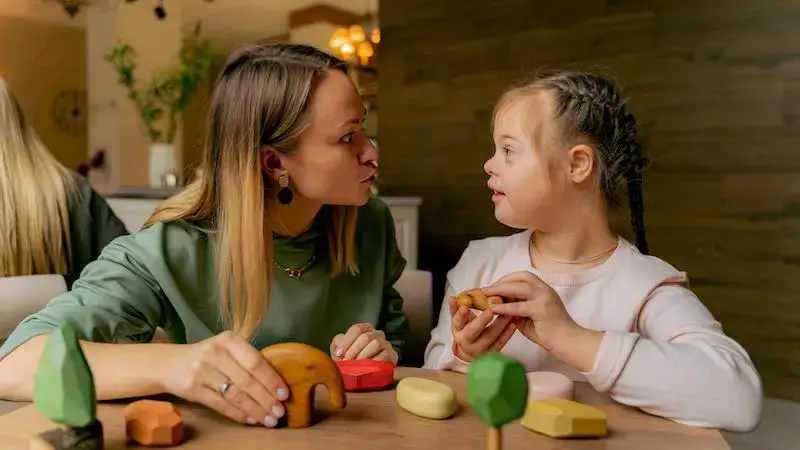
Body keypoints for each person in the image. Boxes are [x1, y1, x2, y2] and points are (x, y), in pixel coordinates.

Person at [0, 43, 408, 429]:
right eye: (347, 136)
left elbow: (400, 350)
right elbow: (16, 364)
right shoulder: (170, 249)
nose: (371, 151)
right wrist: (173, 365)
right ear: (273, 162)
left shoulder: (370, 223)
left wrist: (380, 356)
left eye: (364, 129)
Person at [423, 71, 762, 432]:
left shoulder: (645, 286)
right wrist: (465, 357)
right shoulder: (480, 263)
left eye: (508, 150)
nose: (489, 164)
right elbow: (430, 378)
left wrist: (569, 337)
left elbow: (738, 398)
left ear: (577, 165)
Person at [0, 77, 128, 287]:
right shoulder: (74, 192)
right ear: (17, 121)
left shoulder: (75, 193)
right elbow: (129, 278)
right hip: (69, 320)